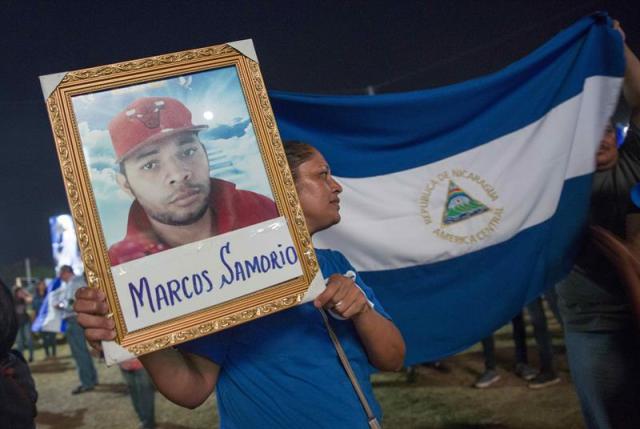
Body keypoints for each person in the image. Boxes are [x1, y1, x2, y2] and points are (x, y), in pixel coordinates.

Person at [74, 140, 406, 428]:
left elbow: (392, 358)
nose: (337, 186)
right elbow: (191, 389)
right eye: (322, 175)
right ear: (284, 187)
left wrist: (360, 307)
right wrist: (134, 332)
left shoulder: (335, 264)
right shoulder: (231, 277)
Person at [555, 21, 640, 429]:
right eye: (592, 132)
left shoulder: (633, 163)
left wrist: (620, 51)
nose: (603, 138)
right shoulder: (559, 184)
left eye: (608, 129)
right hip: (593, 326)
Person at [107, 96, 278, 266]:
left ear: (204, 153)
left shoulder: (260, 209)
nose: (178, 174)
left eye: (188, 152)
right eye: (150, 165)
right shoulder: (118, 267)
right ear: (126, 185)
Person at [0, 278, 38, 429]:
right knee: (23, 343)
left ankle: (32, 354)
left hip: (23, 325)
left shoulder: (13, 369)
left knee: (27, 342)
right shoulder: (14, 365)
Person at [56, 265, 98, 394]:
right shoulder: (79, 281)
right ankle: (92, 379)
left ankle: (87, 382)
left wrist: (60, 305)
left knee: (79, 352)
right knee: (83, 351)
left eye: (60, 274)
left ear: (66, 272)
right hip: (80, 318)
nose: (59, 277)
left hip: (74, 319)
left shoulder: (73, 283)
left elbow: (70, 303)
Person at [119, 358, 156, 429]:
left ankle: (148, 423)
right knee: (133, 391)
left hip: (142, 363)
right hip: (124, 363)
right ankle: (143, 418)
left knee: (145, 392)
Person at [31, 280, 56, 359]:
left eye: (44, 284)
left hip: (50, 319)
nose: (42, 286)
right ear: (38, 286)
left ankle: (54, 354)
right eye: (41, 284)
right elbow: (34, 310)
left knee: (52, 337)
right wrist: (34, 320)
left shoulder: (49, 295)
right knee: (44, 338)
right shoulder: (35, 297)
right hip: (41, 320)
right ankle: (47, 354)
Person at [13, 285, 34, 363]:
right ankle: (21, 358)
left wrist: (25, 293)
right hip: (17, 324)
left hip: (26, 322)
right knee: (19, 342)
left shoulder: (24, 299)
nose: (21, 293)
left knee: (29, 340)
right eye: (19, 292)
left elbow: (31, 299)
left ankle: (31, 356)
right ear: (15, 293)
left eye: (22, 291)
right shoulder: (12, 301)